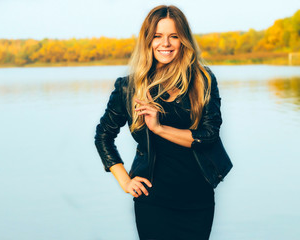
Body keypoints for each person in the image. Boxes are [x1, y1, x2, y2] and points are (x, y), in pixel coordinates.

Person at [94, 5, 232, 240]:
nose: (165, 44)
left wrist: (158, 128)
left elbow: (209, 135)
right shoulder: (129, 87)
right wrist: (125, 182)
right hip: (153, 201)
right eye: (157, 36)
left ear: (183, 40)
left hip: (197, 200)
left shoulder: (203, 80)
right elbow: (103, 136)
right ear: (148, 41)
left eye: (173, 36)